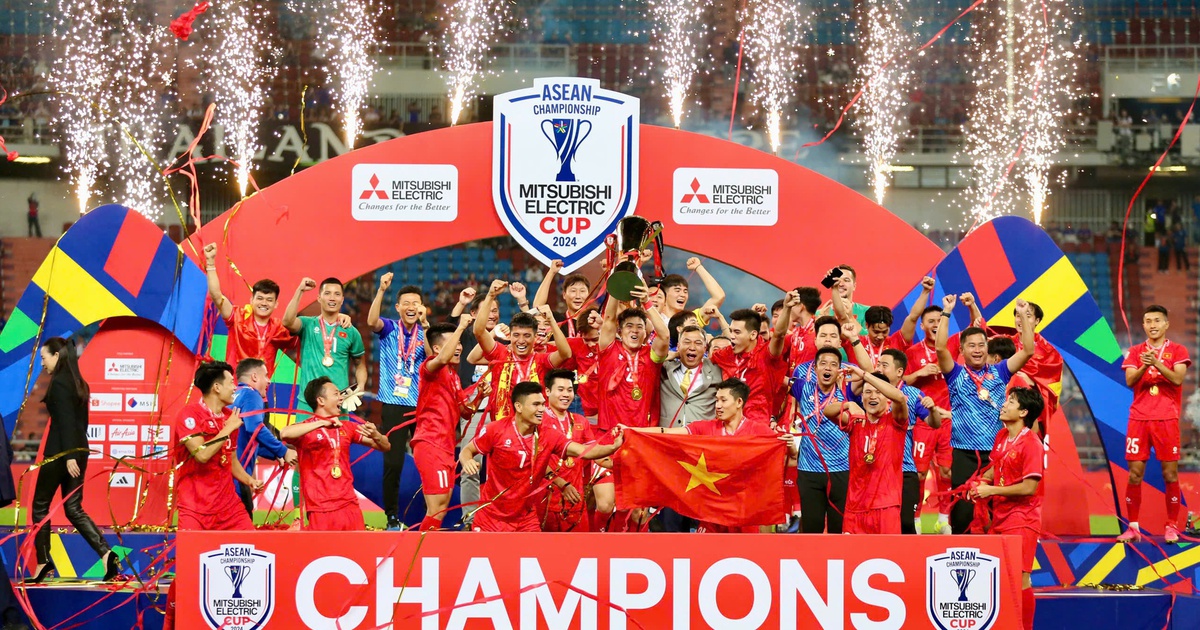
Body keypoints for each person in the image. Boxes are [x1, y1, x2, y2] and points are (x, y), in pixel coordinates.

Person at [459, 381, 625, 532]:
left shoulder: (549, 435)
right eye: (536, 405)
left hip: (526, 519)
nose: (541, 410)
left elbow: (582, 450)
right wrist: (467, 462)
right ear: (519, 406)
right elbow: (466, 451)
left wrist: (613, 446)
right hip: (492, 517)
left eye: (543, 405)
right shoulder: (495, 430)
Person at [936, 296, 1036, 534]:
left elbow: (1028, 351)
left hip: (995, 456)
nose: (978, 350)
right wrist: (947, 312)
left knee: (994, 514)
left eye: (982, 345)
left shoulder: (1000, 371)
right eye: (971, 345)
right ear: (961, 350)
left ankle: (995, 563)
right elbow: (940, 348)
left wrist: (1022, 314)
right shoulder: (955, 374)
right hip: (963, 454)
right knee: (962, 517)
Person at [645, 378, 798, 533]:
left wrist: (791, 447)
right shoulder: (704, 428)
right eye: (716, 400)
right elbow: (667, 433)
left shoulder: (760, 432)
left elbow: (791, 461)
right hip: (711, 517)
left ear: (739, 402)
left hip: (745, 516)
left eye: (723, 400)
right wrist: (632, 430)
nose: (718, 405)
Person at [30, 338, 118, 582]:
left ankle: (43, 563)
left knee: (40, 506)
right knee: (73, 508)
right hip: (80, 451)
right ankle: (106, 554)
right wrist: (77, 453)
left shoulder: (59, 383)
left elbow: (67, 421)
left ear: (57, 356)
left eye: (44, 358)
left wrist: (69, 456)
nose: (42, 363)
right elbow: (82, 423)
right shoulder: (79, 383)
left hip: (61, 453)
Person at [970, 387, 1046, 630]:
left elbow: (1029, 487)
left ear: (1023, 412)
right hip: (1000, 518)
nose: (1004, 404)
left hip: (1023, 519)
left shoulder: (1032, 443)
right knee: (999, 576)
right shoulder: (1002, 436)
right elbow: (996, 468)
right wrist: (981, 482)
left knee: (1021, 578)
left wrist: (991, 491)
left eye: (1010, 401)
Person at [204, 243, 340, 376]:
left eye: (269, 300)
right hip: (234, 389)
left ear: (276, 304)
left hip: (261, 394)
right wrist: (210, 263)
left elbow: (309, 331)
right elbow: (216, 296)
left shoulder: (279, 329)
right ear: (251, 300)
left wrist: (338, 317)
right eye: (260, 298)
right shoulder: (238, 317)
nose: (264, 303)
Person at [1117, 305, 1191, 543]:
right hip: (1139, 418)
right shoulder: (1136, 351)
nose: (1152, 325)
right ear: (1144, 325)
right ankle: (1133, 527)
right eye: (1148, 321)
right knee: (1134, 474)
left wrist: (1157, 364)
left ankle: (1171, 526)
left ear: (1166, 324)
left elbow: (1178, 379)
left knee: (1170, 474)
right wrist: (1144, 365)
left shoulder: (1178, 350)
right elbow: (1130, 380)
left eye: (1157, 321)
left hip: (1166, 419)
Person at [280, 377, 390, 531]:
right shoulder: (306, 429)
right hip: (320, 508)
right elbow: (284, 433)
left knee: (357, 553)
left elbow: (385, 446)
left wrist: (376, 434)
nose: (341, 397)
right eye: (336, 394)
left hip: (349, 505)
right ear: (321, 401)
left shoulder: (347, 427)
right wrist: (322, 422)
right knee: (323, 554)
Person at [367, 272, 429, 530]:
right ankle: (391, 516)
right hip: (393, 404)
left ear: (423, 307)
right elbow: (372, 322)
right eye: (407, 303)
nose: (411, 307)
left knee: (427, 461)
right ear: (398, 307)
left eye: (416, 303)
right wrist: (381, 290)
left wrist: (426, 327)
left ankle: (433, 515)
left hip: (421, 405)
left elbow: (432, 354)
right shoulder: (390, 327)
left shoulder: (427, 331)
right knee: (393, 463)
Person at [824, 366, 909, 534]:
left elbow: (900, 398)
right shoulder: (856, 423)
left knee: (887, 558)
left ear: (887, 399)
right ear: (861, 397)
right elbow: (827, 411)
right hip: (855, 509)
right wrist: (848, 404)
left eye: (878, 392)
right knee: (852, 559)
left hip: (885, 507)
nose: (873, 396)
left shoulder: (896, 422)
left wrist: (864, 375)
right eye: (868, 392)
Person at [410, 317, 477, 531]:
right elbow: (442, 357)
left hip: (447, 447)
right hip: (430, 442)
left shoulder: (453, 376)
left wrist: (479, 395)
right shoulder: (430, 368)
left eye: (459, 343)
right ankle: (419, 555)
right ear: (437, 348)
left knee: (442, 505)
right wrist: (461, 327)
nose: (458, 347)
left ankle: (426, 552)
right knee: (436, 506)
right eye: (453, 343)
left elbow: (466, 412)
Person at [472, 279, 571, 421]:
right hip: (502, 428)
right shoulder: (500, 353)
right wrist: (491, 296)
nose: (521, 341)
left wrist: (551, 320)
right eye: (516, 335)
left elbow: (565, 353)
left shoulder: (541, 360)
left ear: (535, 336)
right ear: (510, 336)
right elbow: (479, 331)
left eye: (527, 336)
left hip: (535, 427)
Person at [875, 348, 947, 534]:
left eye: (884, 365)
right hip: (874, 470)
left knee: (905, 524)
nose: (879, 369)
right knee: (877, 525)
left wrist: (932, 410)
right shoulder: (870, 392)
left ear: (899, 372)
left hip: (904, 469)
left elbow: (935, 423)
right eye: (878, 365)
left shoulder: (913, 395)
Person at [789, 345, 853, 534]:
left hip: (841, 469)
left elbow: (872, 374)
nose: (827, 368)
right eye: (823, 364)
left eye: (833, 364)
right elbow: (772, 377)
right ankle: (811, 563)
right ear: (814, 368)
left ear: (839, 370)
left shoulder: (848, 391)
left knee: (838, 529)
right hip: (809, 469)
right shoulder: (802, 387)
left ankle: (840, 562)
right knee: (812, 527)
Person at [281, 277, 367, 412]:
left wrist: (361, 386)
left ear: (342, 299)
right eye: (327, 293)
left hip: (339, 403)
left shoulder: (351, 331)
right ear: (319, 298)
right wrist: (300, 291)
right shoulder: (307, 324)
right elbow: (287, 321)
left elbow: (360, 364)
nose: (332, 298)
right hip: (308, 403)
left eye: (337, 294)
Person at [230, 358, 295, 519]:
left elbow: (247, 438)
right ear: (254, 377)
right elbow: (255, 428)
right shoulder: (252, 395)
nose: (269, 380)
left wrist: (275, 453)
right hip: (238, 478)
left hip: (226, 473)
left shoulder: (234, 395)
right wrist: (283, 450)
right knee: (241, 537)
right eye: (266, 375)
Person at [540, 369, 598, 532]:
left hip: (575, 502)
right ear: (547, 391)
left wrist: (619, 449)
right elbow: (536, 460)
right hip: (545, 502)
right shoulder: (537, 421)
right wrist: (561, 484)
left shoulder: (580, 421)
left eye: (569, 390)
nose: (566, 394)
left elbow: (596, 454)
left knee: (579, 553)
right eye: (560, 390)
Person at [659, 325, 724, 427]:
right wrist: (671, 355)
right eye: (687, 342)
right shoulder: (664, 369)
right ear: (678, 346)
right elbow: (648, 356)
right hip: (668, 437)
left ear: (705, 348)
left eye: (698, 343)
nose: (692, 347)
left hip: (700, 439)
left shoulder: (718, 371)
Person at [657, 257, 726, 321]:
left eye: (685, 291)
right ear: (664, 295)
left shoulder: (690, 321)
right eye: (677, 290)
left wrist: (698, 267)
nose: (682, 295)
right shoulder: (652, 318)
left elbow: (719, 296)